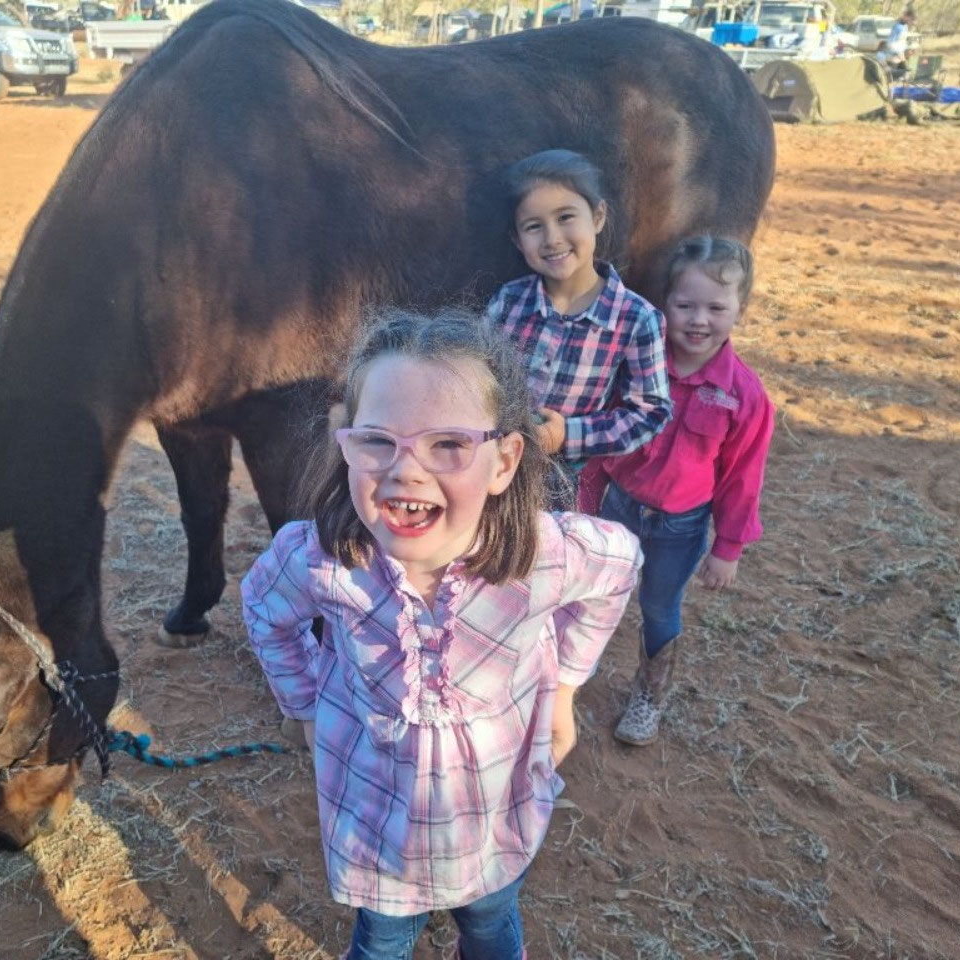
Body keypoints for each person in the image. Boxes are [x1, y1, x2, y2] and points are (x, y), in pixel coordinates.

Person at [241, 310, 641, 959]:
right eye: (378, 441)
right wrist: (305, 705)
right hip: (381, 834)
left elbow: (620, 567)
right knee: (382, 940)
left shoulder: (546, 556)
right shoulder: (322, 560)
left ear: (505, 461)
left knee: (489, 924)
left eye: (448, 444)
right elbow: (264, 608)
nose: (406, 471)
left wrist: (566, 686)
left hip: (494, 823)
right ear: (346, 445)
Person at [578, 236, 775, 746]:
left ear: (740, 309)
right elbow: (604, 432)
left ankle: (649, 692)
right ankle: (571, 671)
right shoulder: (637, 364)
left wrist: (727, 547)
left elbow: (743, 477)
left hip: (680, 526)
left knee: (659, 606)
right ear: (665, 302)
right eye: (685, 305)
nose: (698, 320)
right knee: (592, 591)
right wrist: (587, 497)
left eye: (716, 308)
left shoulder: (745, 396)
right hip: (619, 507)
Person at [486, 149, 671, 501]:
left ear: (598, 217)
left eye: (566, 217)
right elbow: (477, 375)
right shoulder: (507, 302)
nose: (552, 238)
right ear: (517, 239)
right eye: (534, 226)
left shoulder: (636, 318)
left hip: (561, 480)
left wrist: (567, 435)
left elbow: (650, 412)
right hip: (493, 464)